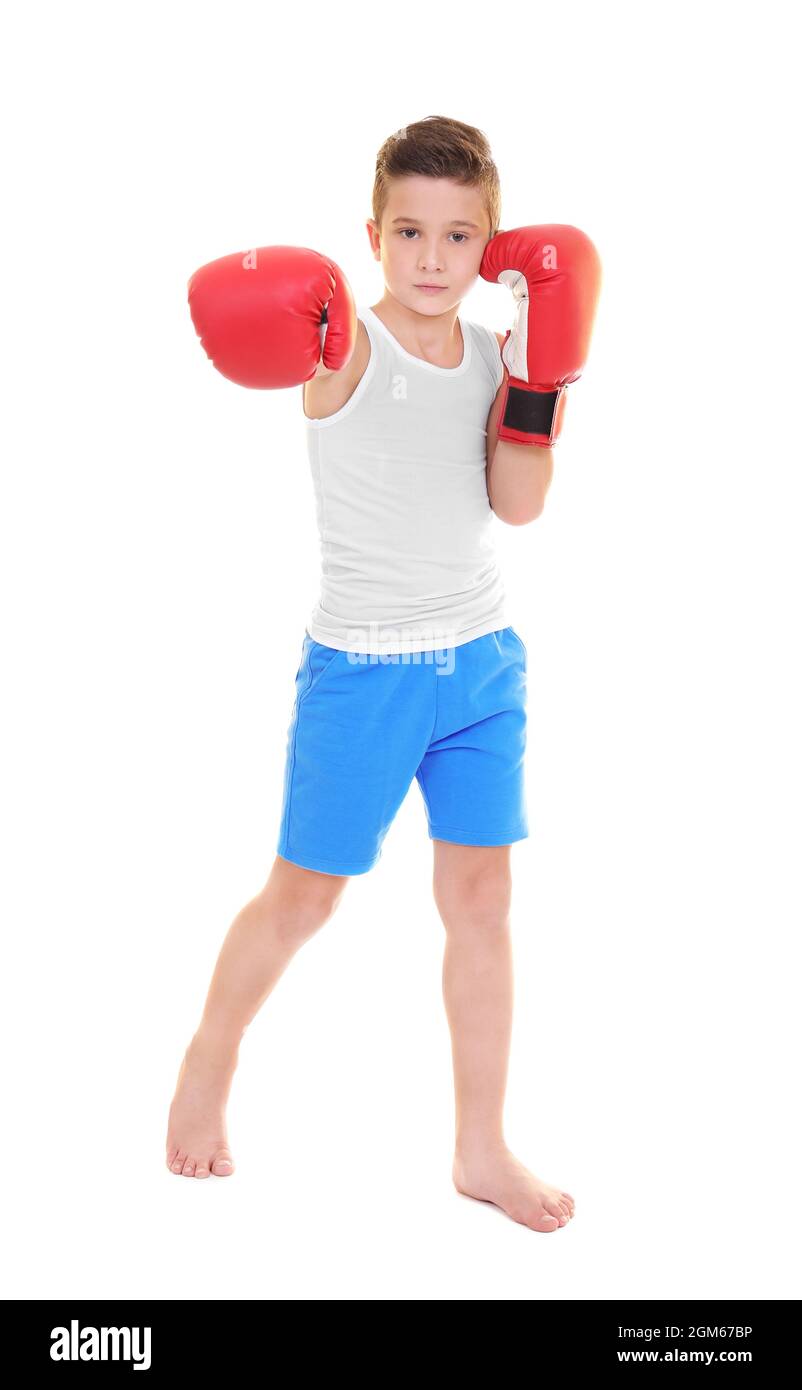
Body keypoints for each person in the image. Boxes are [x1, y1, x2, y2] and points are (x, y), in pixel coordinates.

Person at [168, 115, 600, 1232]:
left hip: (481, 667)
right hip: (362, 675)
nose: (428, 259)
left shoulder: (506, 357)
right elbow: (289, 335)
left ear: (490, 247)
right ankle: (208, 1062)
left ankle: (480, 1148)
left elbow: (517, 505)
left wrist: (546, 375)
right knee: (305, 894)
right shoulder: (344, 347)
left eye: (457, 237)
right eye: (407, 230)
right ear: (373, 236)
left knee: (483, 900)